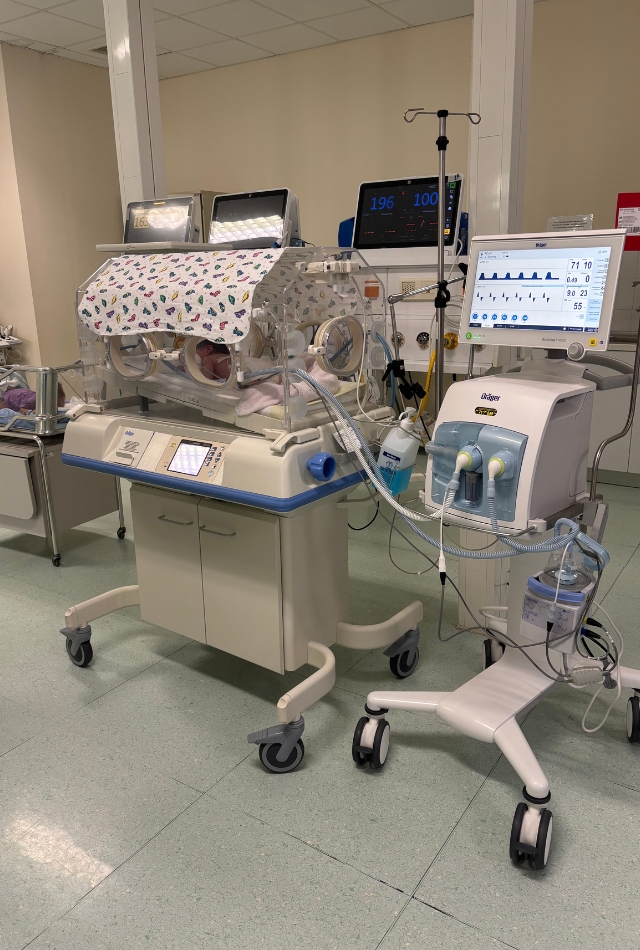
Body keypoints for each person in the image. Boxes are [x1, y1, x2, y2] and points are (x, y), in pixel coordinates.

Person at [0, 382, 66, 414]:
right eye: (58, 404)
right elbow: (22, 409)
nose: (62, 406)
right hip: (13, 396)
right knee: (4, 406)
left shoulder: (57, 399)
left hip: (26, 393)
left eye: (63, 401)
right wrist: (30, 412)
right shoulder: (34, 401)